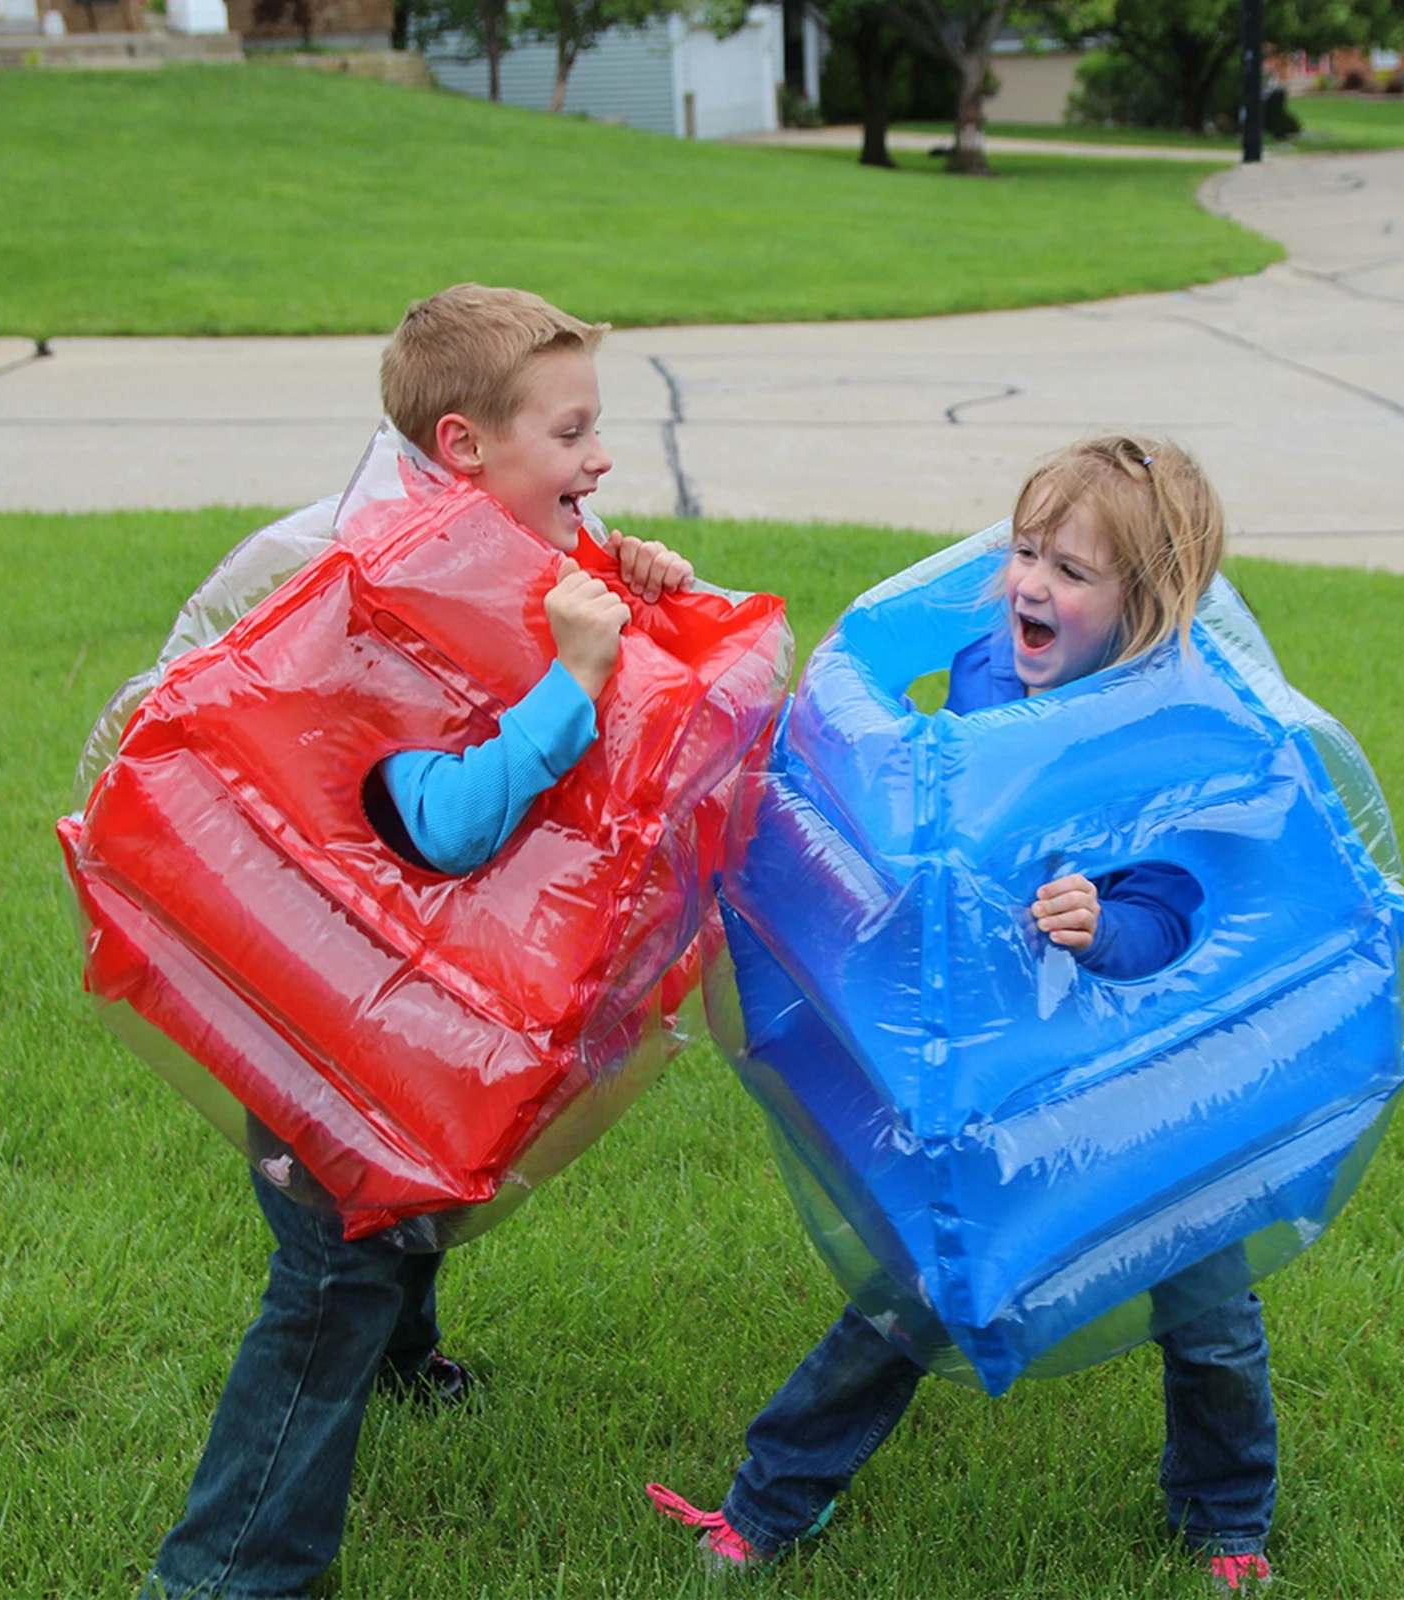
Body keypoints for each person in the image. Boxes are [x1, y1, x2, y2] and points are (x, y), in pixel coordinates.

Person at [140, 285, 694, 1600]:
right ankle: (226, 1574)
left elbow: (534, 599)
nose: (599, 459)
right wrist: (569, 682)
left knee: (419, 1172)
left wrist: (624, 573)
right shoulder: (379, 593)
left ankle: (404, 1359)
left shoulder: (470, 543)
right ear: (463, 447)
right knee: (338, 1260)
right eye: (572, 435)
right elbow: (441, 826)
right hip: (323, 1023)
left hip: (372, 1000)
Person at [649, 435, 1276, 1595]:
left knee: (1210, 1316)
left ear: (1147, 608)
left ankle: (1227, 1519)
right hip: (994, 1075)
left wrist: (1109, 922)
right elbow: (927, 786)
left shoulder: (1169, 730)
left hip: (1146, 1091)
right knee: (909, 1291)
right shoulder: (990, 667)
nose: (1031, 583)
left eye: (1070, 572)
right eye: (1024, 551)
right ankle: (771, 1498)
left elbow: (1185, 899)